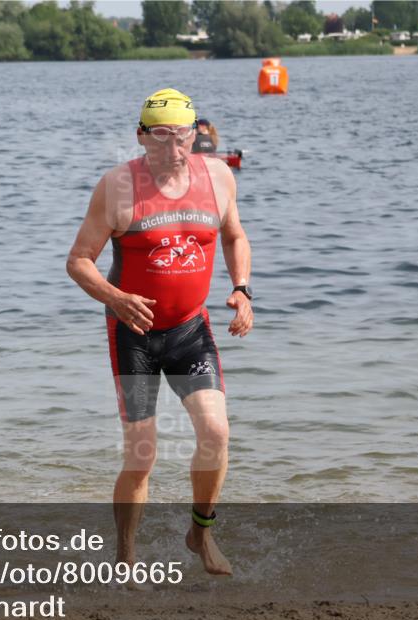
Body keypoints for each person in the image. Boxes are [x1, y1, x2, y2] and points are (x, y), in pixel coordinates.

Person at [66, 88, 253, 576]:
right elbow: (79, 261)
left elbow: (234, 235)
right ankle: (126, 560)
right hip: (133, 335)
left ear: (195, 134)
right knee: (142, 455)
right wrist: (115, 297)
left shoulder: (218, 177)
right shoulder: (117, 187)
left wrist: (241, 289)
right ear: (141, 136)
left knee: (216, 433)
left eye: (182, 136)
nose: (174, 149)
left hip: (190, 329)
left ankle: (201, 534)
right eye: (162, 137)